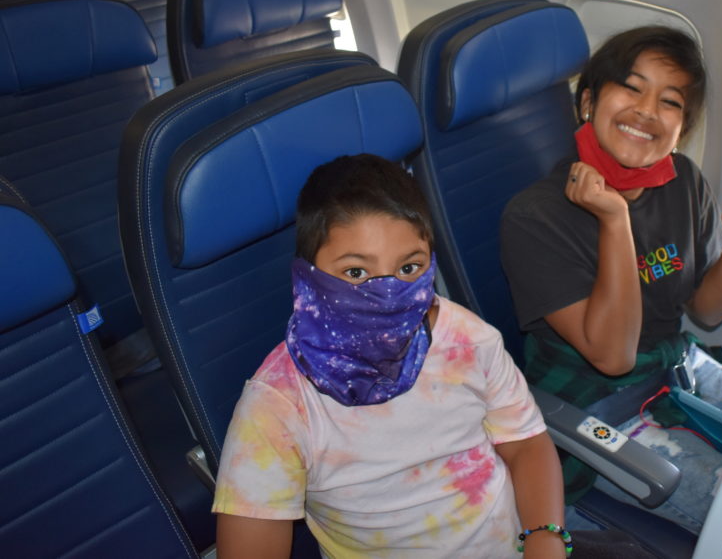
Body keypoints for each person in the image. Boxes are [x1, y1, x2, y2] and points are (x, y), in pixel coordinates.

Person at [500, 26, 722, 533]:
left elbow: (705, 311)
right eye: (632, 88)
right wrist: (615, 220)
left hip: (676, 366)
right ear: (589, 102)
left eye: (670, 101)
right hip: (593, 403)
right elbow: (612, 357)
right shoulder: (535, 217)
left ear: (683, 125)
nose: (646, 110)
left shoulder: (683, 181)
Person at [213, 154, 569, 558]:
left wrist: (546, 539)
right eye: (355, 273)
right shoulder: (279, 405)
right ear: (308, 274)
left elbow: (525, 444)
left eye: (408, 268)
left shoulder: (467, 340)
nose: (386, 294)